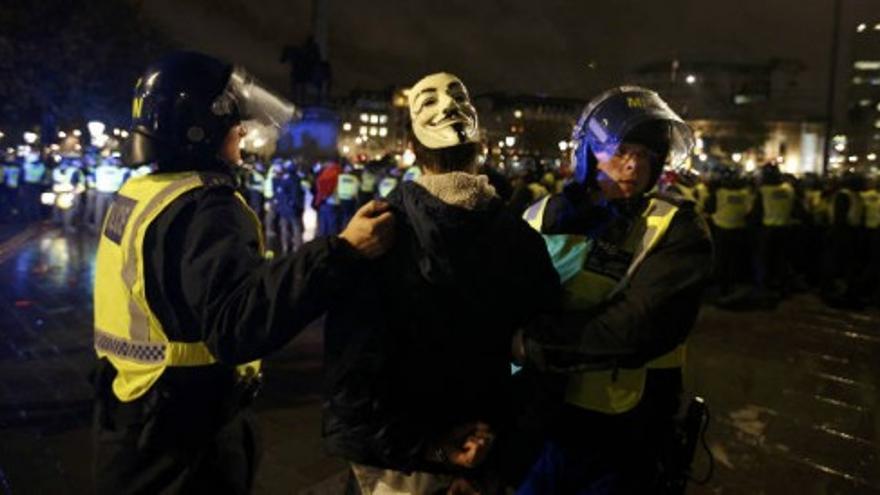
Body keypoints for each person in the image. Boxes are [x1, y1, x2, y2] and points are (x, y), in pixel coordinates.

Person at [92, 51, 395, 495]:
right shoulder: (206, 206)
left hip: (130, 412)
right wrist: (343, 252)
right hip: (185, 435)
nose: (241, 131)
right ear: (201, 128)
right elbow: (237, 322)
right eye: (233, 121)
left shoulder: (141, 193)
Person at [322, 72, 560, 495]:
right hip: (484, 462)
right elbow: (546, 363)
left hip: (395, 469)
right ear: (482, 148)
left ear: (412, 149)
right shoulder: (521, 240)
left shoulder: (375, 234)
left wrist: (428, 451)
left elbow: (350, 388)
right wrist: (490, 459)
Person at [513, 86, 712, 493]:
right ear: (587, 154)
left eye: (646, 155)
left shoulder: (678, 226)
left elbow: (640, 325)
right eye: (621, 151)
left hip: (625, 431)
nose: (634, 165)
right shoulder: (543, 213)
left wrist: (530, 344)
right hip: (538, 419)